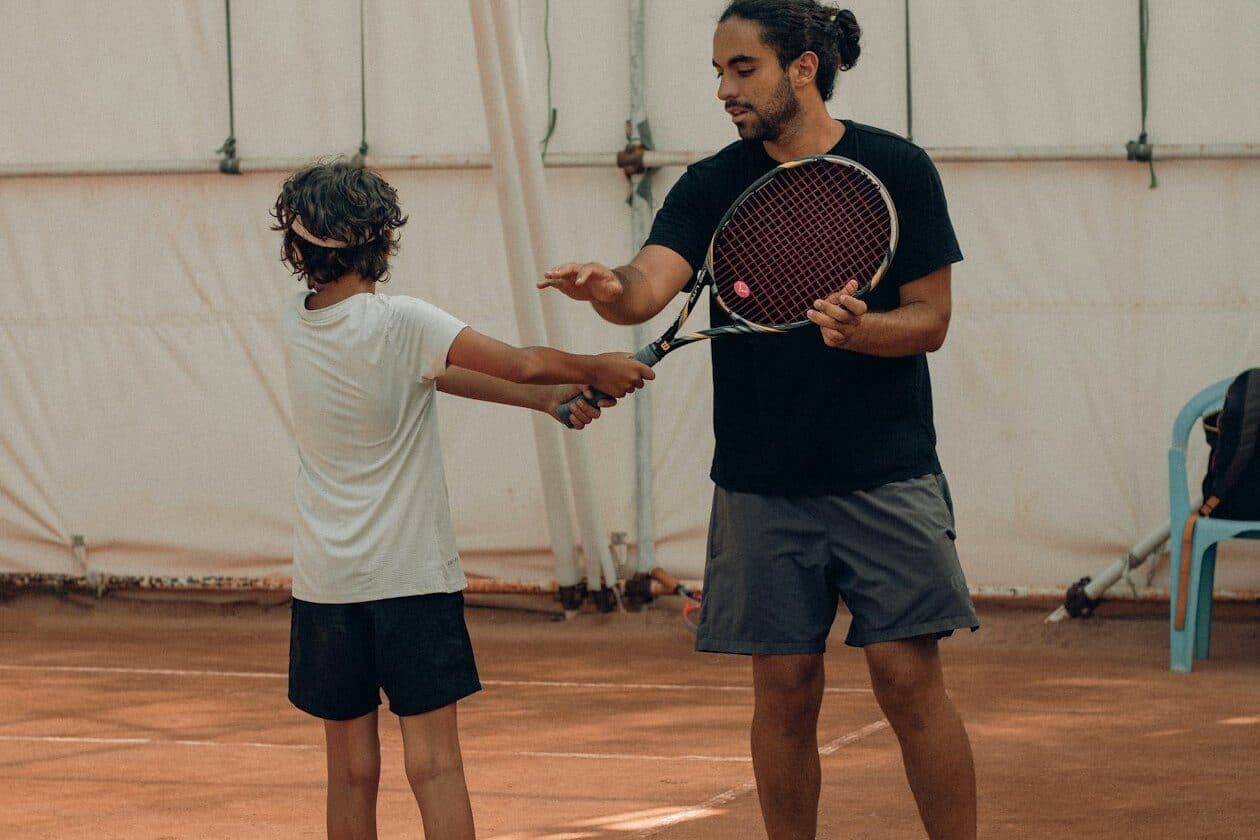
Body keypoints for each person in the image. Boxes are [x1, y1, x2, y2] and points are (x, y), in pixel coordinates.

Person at [538, 2, 978, 838]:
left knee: (908, 681)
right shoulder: (712, 183)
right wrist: (607, 290)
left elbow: (931, 319)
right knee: (784, 692)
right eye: (717, 71)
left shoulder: (896, 168)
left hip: (886, 472)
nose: (724, 90)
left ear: (802, 68)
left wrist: (864, 331)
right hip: (760, 485)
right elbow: (646, 288)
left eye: (742, 70)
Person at [273, 160, 652, 840]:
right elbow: (520, 360)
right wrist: (595, 367)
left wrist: (544, 404)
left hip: (326, 585)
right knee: (436, 766)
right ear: (379, 240)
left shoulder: (297, 326)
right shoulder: (403, 320)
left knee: (350, 773)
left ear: (298, 247)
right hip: (410, 580)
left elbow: (439, 375)